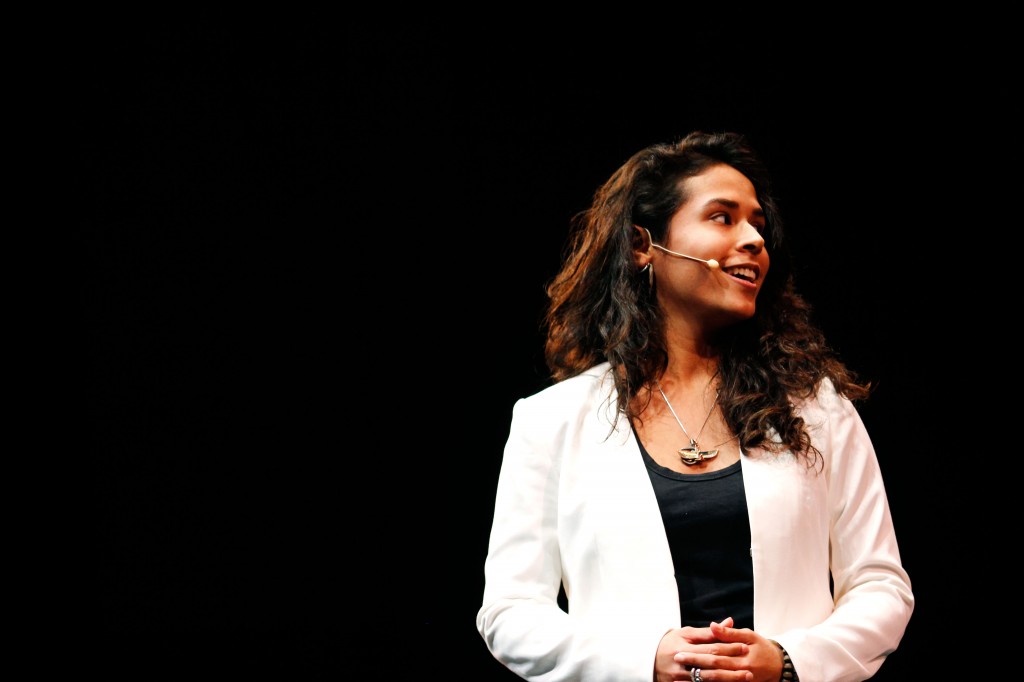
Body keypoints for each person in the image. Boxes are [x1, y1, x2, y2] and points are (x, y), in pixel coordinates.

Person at [475, 131, 913, 682]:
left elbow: (880, 584)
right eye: (722, 218)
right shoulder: (552, 420)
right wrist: (643, 661)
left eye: (757, 223)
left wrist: (788, 659)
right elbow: (511, 612)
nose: (754, 239)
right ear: (643, 245)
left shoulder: (816, 408)